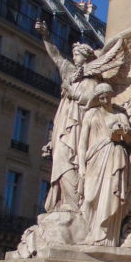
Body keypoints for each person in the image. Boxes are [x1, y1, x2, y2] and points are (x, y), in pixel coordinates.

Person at [36, 20, 101, 212]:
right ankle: (62, 203)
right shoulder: (69, 71)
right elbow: (55, 56)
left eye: (78, 55)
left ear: (86, 58)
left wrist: (73, 94)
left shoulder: (91, 80)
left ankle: (74, 206)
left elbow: (92, 101)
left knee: (67, 160)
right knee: (59, 158)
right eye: (73, 54)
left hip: (79, 125)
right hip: (63, 122)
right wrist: (46, 36)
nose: (74, 57)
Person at [77, 84, 131, 246]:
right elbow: (82, 143)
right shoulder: (91, 114)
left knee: (111, 196)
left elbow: (130, 141)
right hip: (95, 157)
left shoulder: (120, 115)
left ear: (111, 95)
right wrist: (81, 165)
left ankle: (107, 239)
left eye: (107, 96)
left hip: (115, 157)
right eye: (100, 97)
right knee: (89, 198)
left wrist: (125, 133)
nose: (104, 99)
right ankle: (90, 233)